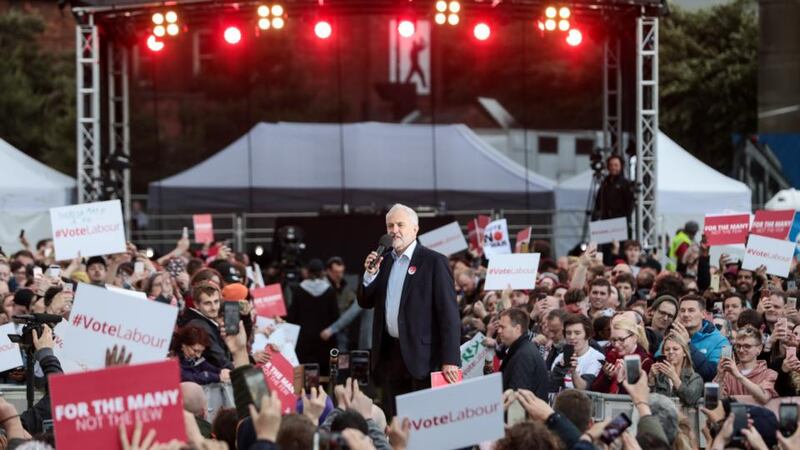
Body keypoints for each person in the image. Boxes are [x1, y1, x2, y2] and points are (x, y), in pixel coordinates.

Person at [358, 204, 461, 417]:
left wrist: (450, 359)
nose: (394, 230)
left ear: (415, 229)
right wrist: (370, 275)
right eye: (390, 226)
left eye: (400, 224)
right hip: (390, 355)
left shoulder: (434, 261)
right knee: (397, 419)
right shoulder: (383, 262)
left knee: (424, 419)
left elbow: (449, 315)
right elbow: (365, 301)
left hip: (424, 357)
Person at [287, 259, 340, 374]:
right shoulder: (330, 291)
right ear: (322, 272)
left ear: (308, 272)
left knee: (304, 377)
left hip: (303, 342)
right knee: (324, 376)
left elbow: (292, 317)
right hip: (325, 341)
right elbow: (335, 316)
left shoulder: (298, 290)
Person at [666, 294, 728, 382]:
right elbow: (660, 360)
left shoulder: (720, 341)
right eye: (682, 310)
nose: (685, 314)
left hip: (702, 393)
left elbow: (712, 374)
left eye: (691, 310)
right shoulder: (673, 335)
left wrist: (688, 344)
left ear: (703, 314)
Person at [715, 325, 778, 404]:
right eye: (738, 346)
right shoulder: (727, 374)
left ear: (759, 348)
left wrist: (738, 375)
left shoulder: (769, 373)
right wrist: (720, 377)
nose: (741, 350)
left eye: (747, 346)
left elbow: (764, 397)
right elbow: (717, 401)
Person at [496, 308, 549, 398]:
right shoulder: (521, 350)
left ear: (517, 328)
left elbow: (517, 398)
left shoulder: (523, 355)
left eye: (503, 327)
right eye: (499, 327)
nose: (499, 331)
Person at [591, 317, 652, 394]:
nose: (616, 344)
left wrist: (621, 380)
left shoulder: (644, 362)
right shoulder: (611, 356)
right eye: (613, 340)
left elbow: (635, 396)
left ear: (635, 337)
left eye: (621, 340)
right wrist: (607, 377)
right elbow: (594, 390)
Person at [180, 281, 233, 370]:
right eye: (207, 303)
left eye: (216, 302)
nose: (214, 308)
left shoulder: (206, 322)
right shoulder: (199, 327)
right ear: (196, 304)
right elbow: (220, 360)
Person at [549, 314, 604, 391]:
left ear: (588, 335)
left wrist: (573, 372)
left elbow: (584, 388)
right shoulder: (560, 357)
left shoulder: (596, 358)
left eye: (577, 333)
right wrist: (560, 369)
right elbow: (553, 387)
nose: (572, 337)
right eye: (568, 333)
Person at [649, 332, 703, 406]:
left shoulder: (695, 378)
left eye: (675, 349)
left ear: (684, 353)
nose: (671, 352)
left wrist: (674, 378)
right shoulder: (658, 377)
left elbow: (691, 399)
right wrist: (651, 379)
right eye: (667, 349)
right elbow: (649, 401)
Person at [592, 154, 633, 224]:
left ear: (621, 167)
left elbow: (629, 205)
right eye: (611, 165)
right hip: (605, 220)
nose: (613, 167)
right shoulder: (604, 182)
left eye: (616, 165)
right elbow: (598, 201)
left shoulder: (625, 183)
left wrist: (627, 220)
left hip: (620, 222)